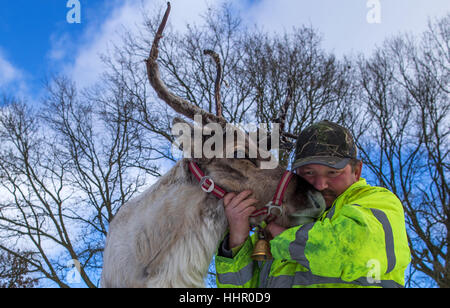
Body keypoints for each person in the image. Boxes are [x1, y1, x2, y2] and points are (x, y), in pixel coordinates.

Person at [215, 120, 411, 288]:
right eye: (309, 173)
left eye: (333, 173)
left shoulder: (378, 202)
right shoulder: (279, 221)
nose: (320, 184)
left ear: (357, 171)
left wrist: (282, 237)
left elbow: (352, 249)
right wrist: (237, 239)